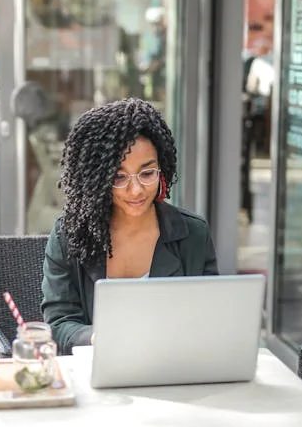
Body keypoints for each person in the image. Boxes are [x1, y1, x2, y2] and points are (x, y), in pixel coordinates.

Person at [41, 98, 219, 354]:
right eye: (118, 177)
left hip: (175, 368)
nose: (135, 190)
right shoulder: (69, 234)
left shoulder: (193, 234)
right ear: (97, 180)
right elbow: (58, 324)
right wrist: (97, 337)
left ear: (163, 170)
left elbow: (210, 319)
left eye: (147, 174)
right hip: (96, 372)